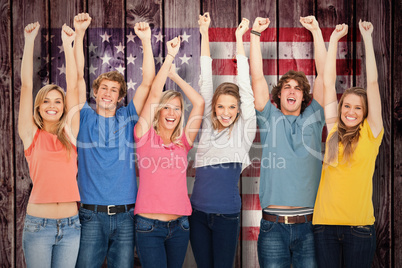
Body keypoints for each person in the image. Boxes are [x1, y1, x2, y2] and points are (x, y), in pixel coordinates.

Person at [73, 13, 156, 267]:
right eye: (103, 88)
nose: (108, 93)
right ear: (95, 92)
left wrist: (145, 40)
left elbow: (148, 83)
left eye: (114, 90)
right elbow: (77, 78)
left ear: (121, 97)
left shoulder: (128, 117)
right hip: (91, 215)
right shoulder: (84, 117)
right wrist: (79, 33)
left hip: (125, 216)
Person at [250, 16, 327, 267]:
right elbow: (257, 78)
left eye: (298, 88)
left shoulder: (314, 118)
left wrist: (316, 31)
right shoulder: (269, 117)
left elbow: (324, 76)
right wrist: (255, 34)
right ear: (279, 94)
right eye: (287, 87)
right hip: (273, 228)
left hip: (310, 228)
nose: (292, 91)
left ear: (304, 96)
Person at [313, 21, 383, 268]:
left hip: (359, 228)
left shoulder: (371, 132)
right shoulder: (333, 128)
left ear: (365, 112)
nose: (350, 112)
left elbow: (372, 84)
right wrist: (333, 39)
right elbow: (328, 82)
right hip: (324, 227)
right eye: (347, 106)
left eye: (358, 108)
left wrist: (367, 38)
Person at [189, 13, 256, 268]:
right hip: (197, 215)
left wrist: (240, 38)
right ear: (214, 108)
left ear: (239, 109)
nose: (226, 112)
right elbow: (206, 78)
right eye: (220, 106)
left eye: (232, 107)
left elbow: (245, 86)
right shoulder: (206, 125)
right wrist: (204, 32)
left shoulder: (244, 131)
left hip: (226, 216)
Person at [133, 37, 204, 268]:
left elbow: (200, 103)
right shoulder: (144, 136)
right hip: (148, 227)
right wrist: (170, 57)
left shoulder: (183, 142)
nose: (172, 113)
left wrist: (176, 77)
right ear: (158, 112)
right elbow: (154, 94)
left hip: (180, 227)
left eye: (177, 108)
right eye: (167, 107)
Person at [19, 22, 80, 267]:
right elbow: (25, 86)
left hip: (71, 226)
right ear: (39, 108)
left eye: (57, 101)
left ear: (64, 107)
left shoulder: (71, 133)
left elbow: (73, 86)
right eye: (46, 101)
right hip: (38, 226)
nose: (52, 105)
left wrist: (68, 44)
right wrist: (29, 40)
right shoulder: (30, 134)